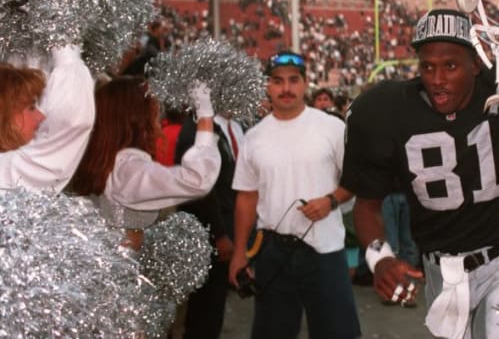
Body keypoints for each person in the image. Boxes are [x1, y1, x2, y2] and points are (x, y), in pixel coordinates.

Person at [341, 9, 499, 339]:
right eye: (427, 66)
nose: (437, 79)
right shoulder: (387, 109)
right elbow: (367, 206)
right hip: (439, 271)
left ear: (476, 65)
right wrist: (380, 258)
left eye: (450, 65)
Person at [228, 51, 361, 339]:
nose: (286, 88)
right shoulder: (254, 137)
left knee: (338, 333)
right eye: (278, 81)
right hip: (272, 253)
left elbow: (355, 179)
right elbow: (246, 198)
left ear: (305, 83)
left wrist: (331, 201)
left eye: (293, 80)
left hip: (324, 250)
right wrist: (240, 253)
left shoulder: (332, 128)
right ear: (267, 85)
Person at [67, 76, 221, 250]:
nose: (157, 123)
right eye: (153, 114)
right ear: (137, 121)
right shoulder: (128, 169)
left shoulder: (108, 161)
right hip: (121, 269)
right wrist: (205, 117)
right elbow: (197, 179)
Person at [175, 112, 239, 339]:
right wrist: (219, 235)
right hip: (208, 234)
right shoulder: (195, 129)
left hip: (229, 228)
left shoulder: (237, 126)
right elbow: (199, 191)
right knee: (204, 309)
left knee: (215, 306)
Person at [0, 46, 94, 192]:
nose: (41, 116)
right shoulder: (6, 172)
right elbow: (72, 122)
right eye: (31, 107)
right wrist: (64, 46)